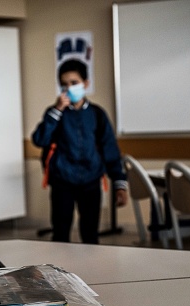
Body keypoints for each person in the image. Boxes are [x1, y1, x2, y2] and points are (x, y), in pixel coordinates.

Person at [32, 59, 128, 244]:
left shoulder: (97, 114)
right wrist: (57, 110)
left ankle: (90, 271)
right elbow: (39, 139)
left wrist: (120, 183)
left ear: (85, 84)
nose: (69, 88)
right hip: (62, 182)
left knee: (90, 234)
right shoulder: (55, 113)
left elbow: (110, 150)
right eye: (64, 84)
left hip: (91, 182)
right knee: (60, 233)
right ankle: (58, 272)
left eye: (74, 83)